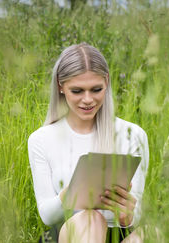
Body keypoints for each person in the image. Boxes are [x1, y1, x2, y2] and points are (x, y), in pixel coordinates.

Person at [28, 43, 149, 243]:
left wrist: (127, 214)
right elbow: (47, 216)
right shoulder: (41, 139)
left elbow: (137, 210)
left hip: (118, 233)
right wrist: (71, 192)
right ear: (60, 86)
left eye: (96, 89)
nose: (88, 100)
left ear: (107, 82)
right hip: (72, 232)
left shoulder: (133, 135)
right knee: (92, 220)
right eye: (77, 91)